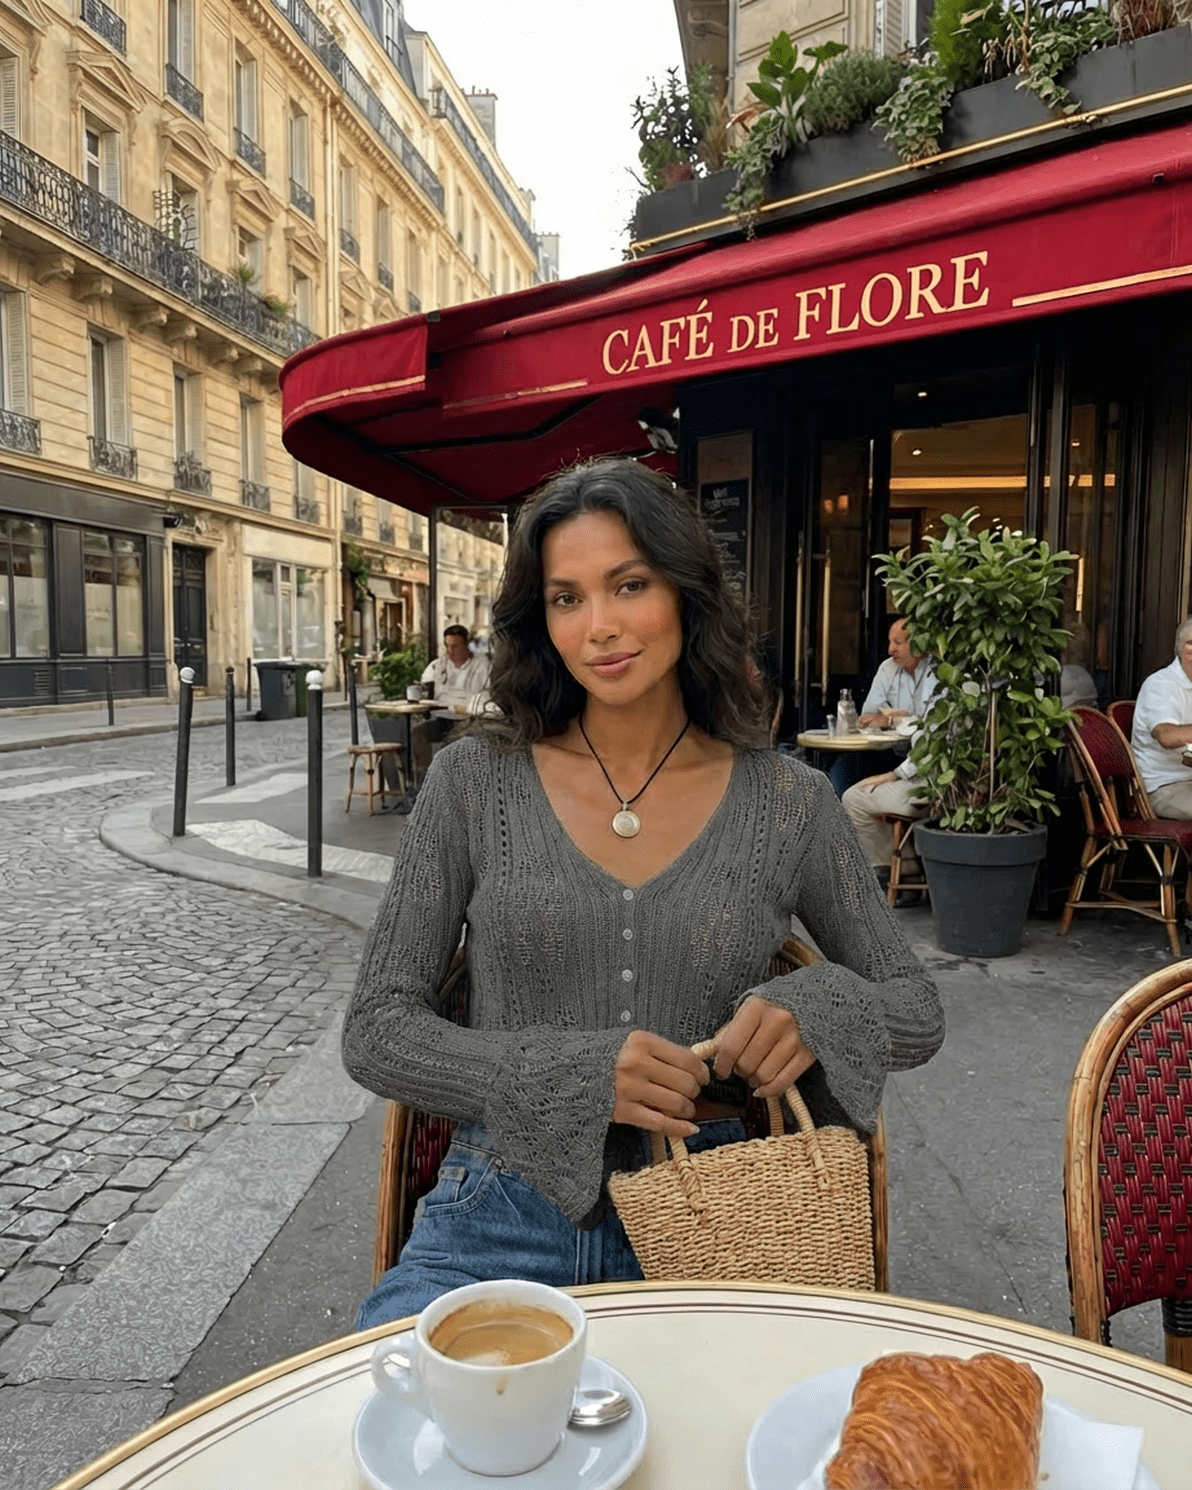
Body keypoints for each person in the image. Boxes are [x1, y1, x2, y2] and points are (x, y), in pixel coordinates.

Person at [342, 458, 944, 1328]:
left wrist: (818, 1004)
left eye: (629, 584)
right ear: (538, 618)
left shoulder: (789, 802)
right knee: (390, 1424)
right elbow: (377, 1030)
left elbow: (916, 1009)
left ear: (685, 592)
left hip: (722, 1216)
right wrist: (571, 1073)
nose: (601, 627)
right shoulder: (474, 783)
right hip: (498, 1215)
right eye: (567, 598)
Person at [828, 619, 938, 797]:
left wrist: (891, 720)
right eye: (890, 641)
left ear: (918, 643)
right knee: (842, 771)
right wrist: (888, 719)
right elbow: (868, 715)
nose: (890, 650)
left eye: (898, 643)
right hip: (888, 753)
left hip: (923, 760)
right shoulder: (887, 668)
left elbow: (928, 723)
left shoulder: (936, 672)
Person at [1131, 617, 1192, 817]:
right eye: (1190, 643)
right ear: (1181, 649)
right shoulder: (1161, 684)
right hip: (1164, 787)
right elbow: (1166, 736)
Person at [421, 624, 490, 707]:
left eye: (455, 646)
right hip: (441, 714)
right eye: (447, 646)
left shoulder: (482, 665)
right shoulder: (437, 665)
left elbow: (489, 696)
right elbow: (424, 692)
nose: (450, 651)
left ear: (466, 645)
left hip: (471, 715)